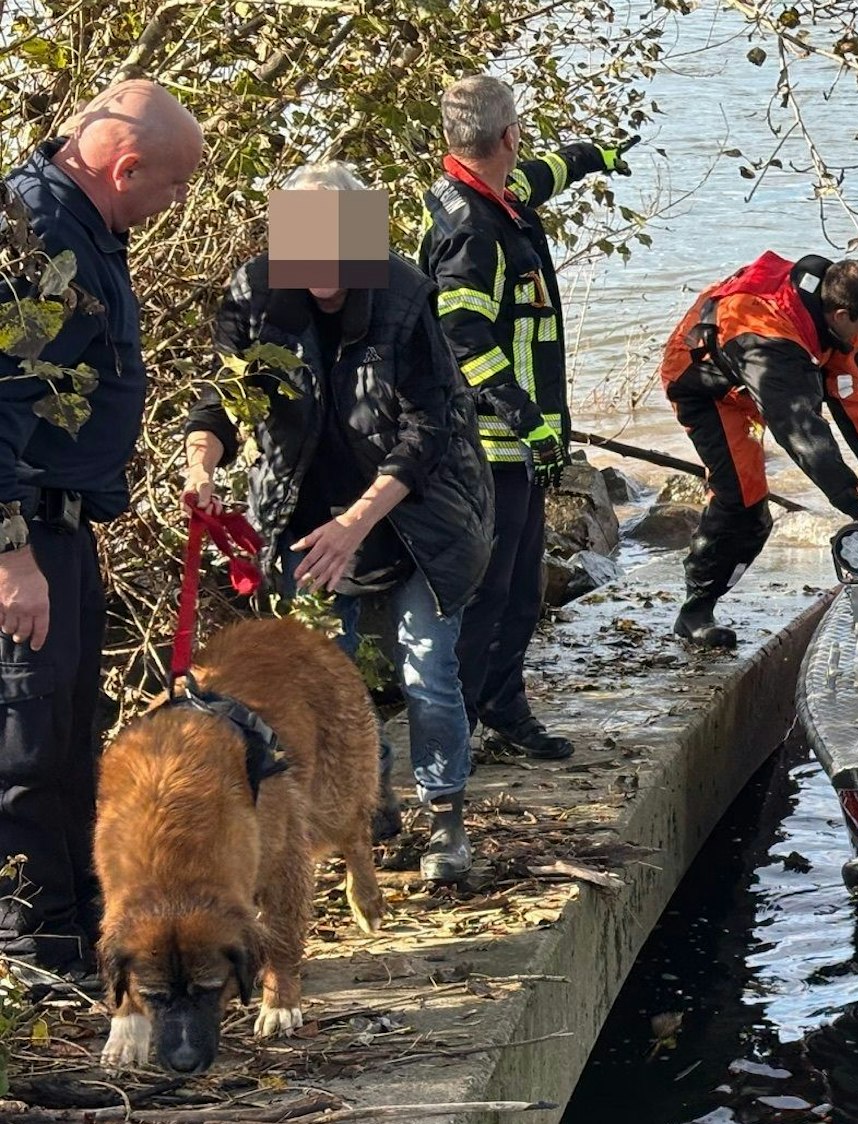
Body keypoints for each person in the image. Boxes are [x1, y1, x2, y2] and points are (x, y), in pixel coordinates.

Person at [185, 161, 494, 884]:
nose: (319, 267)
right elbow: (227, 400)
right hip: (303, 514)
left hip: (416, 514)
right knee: (327, 681)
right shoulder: (254, 293)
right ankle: (367, 803)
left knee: (427, 672)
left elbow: (431, 428)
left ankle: (445, 816)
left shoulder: (405, 293)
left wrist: (357, 521)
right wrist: (201, 464)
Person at [0, 79, 203, 983]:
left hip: (62, 525)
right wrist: (12, 558)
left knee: (78, 734)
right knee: (28, 738)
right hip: (23, 530)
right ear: (124, 168)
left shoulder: (89, 229)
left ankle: (80, 933)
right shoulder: (42, 240)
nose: (177, 204)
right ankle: (29, 946)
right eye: (173, 187)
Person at [419, 75, 634, 762]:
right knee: (493, 594)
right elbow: (463, 338)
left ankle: (501, 707)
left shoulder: (484, 195)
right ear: (507, 136)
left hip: (515, 444)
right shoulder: (474, 233)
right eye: (519, 136)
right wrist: (528, 422)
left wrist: (591, 155)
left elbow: (535, 178)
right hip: (495, 446)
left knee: (516, 589)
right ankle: (468, 725)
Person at [656, 253, 858, 648]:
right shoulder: (773, 344)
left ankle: (707, 595)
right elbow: (800, 428)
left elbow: (851, 394)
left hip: (747, 375)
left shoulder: (827, 314)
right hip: (704, 387)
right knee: (742, 500)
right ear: (841, 314)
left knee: (756, 515)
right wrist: (851, 502)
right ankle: (695, 610)